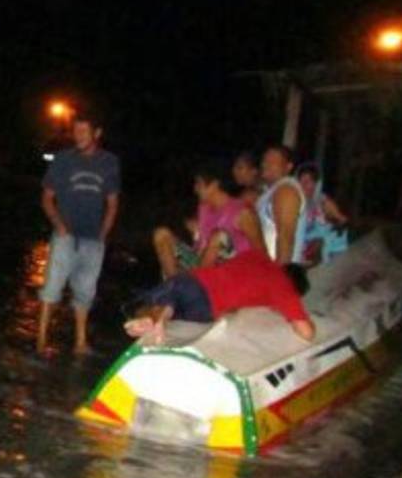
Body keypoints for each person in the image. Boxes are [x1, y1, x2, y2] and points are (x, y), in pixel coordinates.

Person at [37, 109, 121, 356]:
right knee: (52, 287)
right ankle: (41, 340)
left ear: (97, 133)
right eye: (75, 130)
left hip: (93, 238)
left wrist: (103, 235)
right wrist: (60, 226)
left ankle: (80, 342)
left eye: (84, 131)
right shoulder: (63, 160)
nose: (78, 135)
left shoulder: (109, 162)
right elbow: (46, 198)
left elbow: (113, 202)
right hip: (66, 235)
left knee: (85, 293)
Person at [123, 249, 316, 345]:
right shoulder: (283, 286)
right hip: (205, 307)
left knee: (165, 299)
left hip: (192, 281)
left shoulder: (257, 256)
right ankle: (161, 319)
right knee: (178, 312)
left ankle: (158, 316)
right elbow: (306, 333)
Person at [152, 161, 266, 277]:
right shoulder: (204, 209)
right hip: (203, 265)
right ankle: (176, 286)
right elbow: (201, 246)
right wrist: (196, 234)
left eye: (199, 184)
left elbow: (261, 252)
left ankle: (195, 284)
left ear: (214, 184)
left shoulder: (242, 212)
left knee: (219, 237)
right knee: (161, 234)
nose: (195, 189)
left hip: (232, 269)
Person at [256, 145, 308, 265]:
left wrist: (279, 277)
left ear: (288, 167)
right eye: (264, 160)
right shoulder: (272, 190)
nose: (265, 164)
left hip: (275, 272)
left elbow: (286, 238)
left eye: (272, 161)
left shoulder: (286, 190)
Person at [295, 163, 349, 264]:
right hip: (297, 254)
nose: (303, 185)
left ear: (317, 184)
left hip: (318, 256)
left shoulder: (323, 202)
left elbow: (342, 222)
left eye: (308, 181)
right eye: (301, 181)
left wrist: (335, 219)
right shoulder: (292, 201)